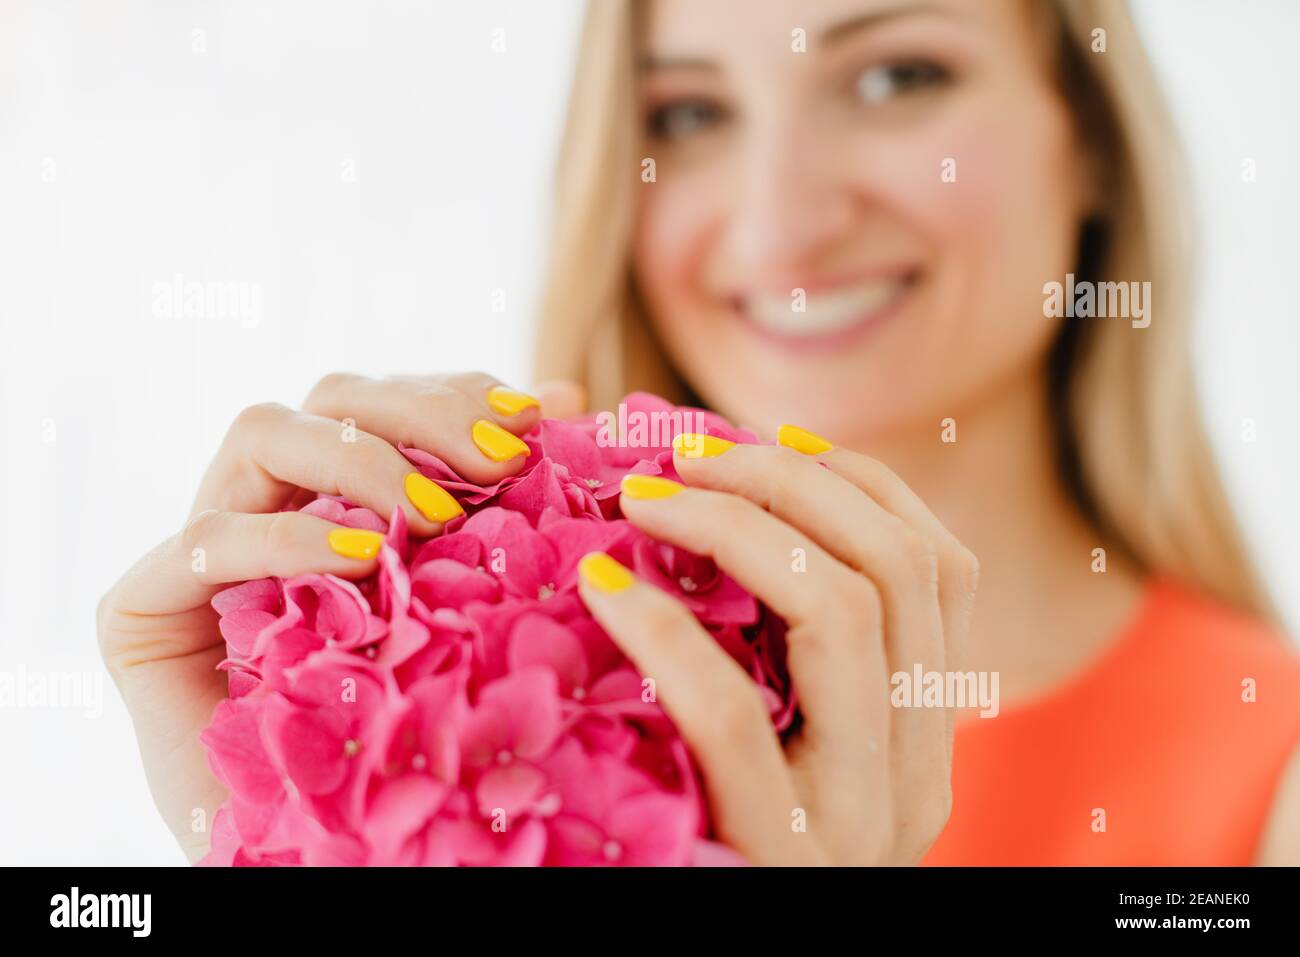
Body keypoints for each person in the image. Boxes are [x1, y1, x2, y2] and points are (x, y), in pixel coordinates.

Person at [98, 0, 1300, 865]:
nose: (780, 220)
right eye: (687, 109)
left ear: (1088, 135)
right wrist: (293, 831)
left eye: (896, 78)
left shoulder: (1267, 776)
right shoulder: (459, 697)